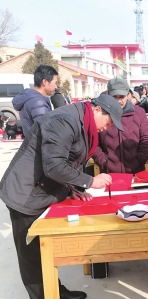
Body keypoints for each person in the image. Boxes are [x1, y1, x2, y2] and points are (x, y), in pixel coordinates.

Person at [0, 93, 123, 299]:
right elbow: (54, 165)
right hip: (25, 193)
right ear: (98, 109)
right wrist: (90, 181)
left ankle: (56, 291)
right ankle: (42, 296)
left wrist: (72, 187)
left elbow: (63, 162)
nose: (107, 128)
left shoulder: (81, 120)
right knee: (31, 256)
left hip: (41, 188)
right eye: (109, 123)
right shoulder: (65, 121)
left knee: (43, 250)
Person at [93, 78, 148, 174]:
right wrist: (104, 162)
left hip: (136, 172)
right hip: (109, 173)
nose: (118, 101)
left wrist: (140, 159)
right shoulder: (99, 114)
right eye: (114, 97)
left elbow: (146, 138)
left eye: (121, 97)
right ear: (107, 94)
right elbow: (93, 143)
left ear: (128, 94)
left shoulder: (139, 112)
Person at [12, 65, 58, 136]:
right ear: (45, 82)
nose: (56, 86)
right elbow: (46, 131)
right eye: (55, 83)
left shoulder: (30, 98)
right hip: (38, 146)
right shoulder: (38, 102)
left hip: (31, 143)